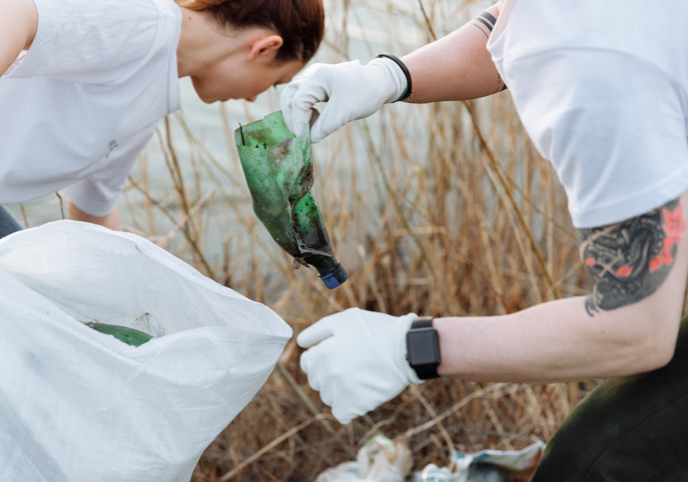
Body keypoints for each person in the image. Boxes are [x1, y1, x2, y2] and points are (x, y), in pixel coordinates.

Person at [281, 1, 688, 479]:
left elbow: (635, 331)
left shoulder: (592, 67)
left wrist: (411, 348)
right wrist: (389, 76)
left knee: (590, 462)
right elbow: (515, 25)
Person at [0, 0, 324, 365]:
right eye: (275, 82)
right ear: (264, 47)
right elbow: (9, 8)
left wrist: (148, 283)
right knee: (19, 363)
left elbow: (91, 207)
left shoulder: (151, 97)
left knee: (50, 350)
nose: (256, 99)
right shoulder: (143, 22)